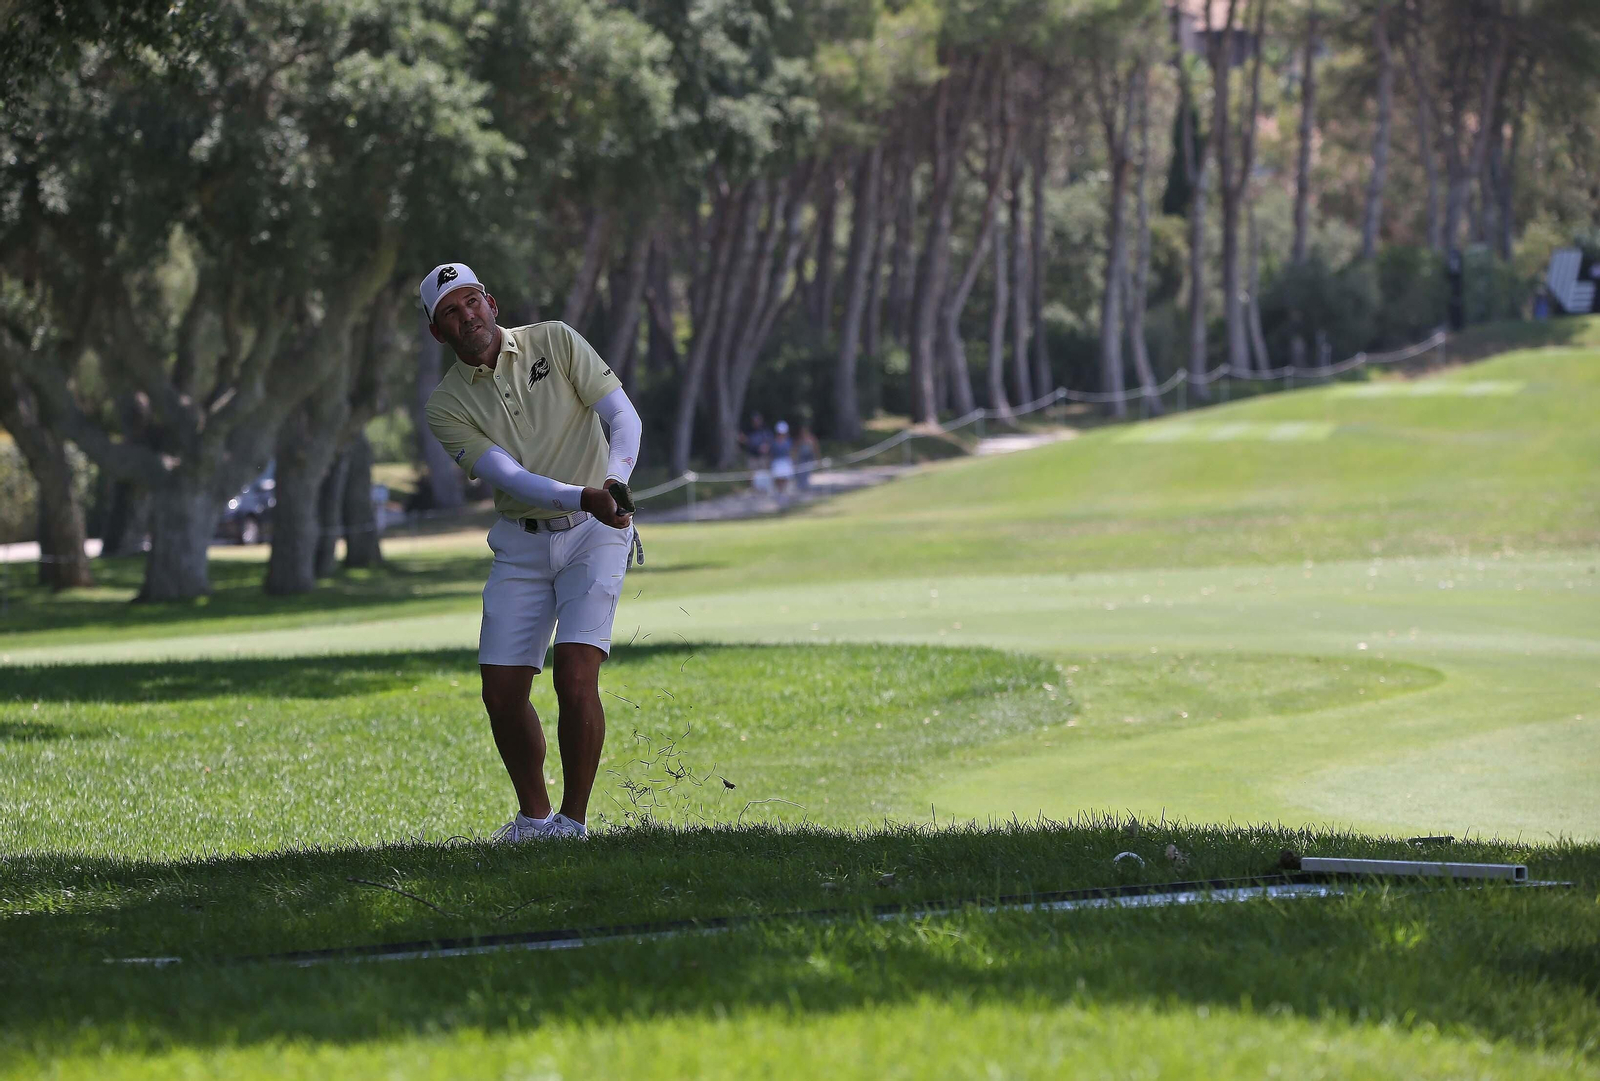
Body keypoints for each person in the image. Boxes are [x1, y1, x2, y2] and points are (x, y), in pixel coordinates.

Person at [420, 262, 642, 842]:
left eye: (471, 301)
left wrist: (613, 483)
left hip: (597, 531)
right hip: (521, 541)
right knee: (501, 691)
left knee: (574, 675)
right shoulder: (445, 406)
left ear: (491, 302)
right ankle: (534, 819)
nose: (466, 316)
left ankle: (574, 822)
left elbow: (622, 416)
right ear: (438, 332)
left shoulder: (556, 340)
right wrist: (584, 494)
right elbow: (508, 476)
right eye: (450, 312)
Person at [770, 420, 794, 495]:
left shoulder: (788, 441)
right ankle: (780, 493)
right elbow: (772, 453)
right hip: (777, 462)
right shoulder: (774, 442)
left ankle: (784, 493)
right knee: (778, 478)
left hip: (786, 461)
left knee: (786, 478)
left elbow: (791, 452)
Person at [795, 423, 820, 491]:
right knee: (800, 475)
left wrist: (817, 460)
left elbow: (816, 450)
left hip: (808, 460)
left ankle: (805, 488)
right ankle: (801, 487)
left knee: (806, 474)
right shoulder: (799, 440)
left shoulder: (812, 439)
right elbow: (796, 451)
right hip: (801, 460)